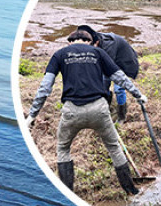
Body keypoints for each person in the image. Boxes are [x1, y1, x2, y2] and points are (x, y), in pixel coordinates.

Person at [26, 30, 147, 194]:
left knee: (63, 149)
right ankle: (131, 190)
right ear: (90, 42)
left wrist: (32, 115)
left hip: (71, 112)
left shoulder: (59, 54)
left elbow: (45, 88)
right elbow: (120, 77)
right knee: (114, 148)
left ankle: (67, 193)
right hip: (99, 109)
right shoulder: (99, 52)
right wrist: (138, 95)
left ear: (69, 42)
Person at [78, 24, 140, 123]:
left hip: (124, 62)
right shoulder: (93, 40)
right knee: (103, 84)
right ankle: (105, 110)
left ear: (96, 43)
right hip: (112, 61)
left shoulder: (108, 45)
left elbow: (109, 69)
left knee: (118, 88)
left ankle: (121, 116)